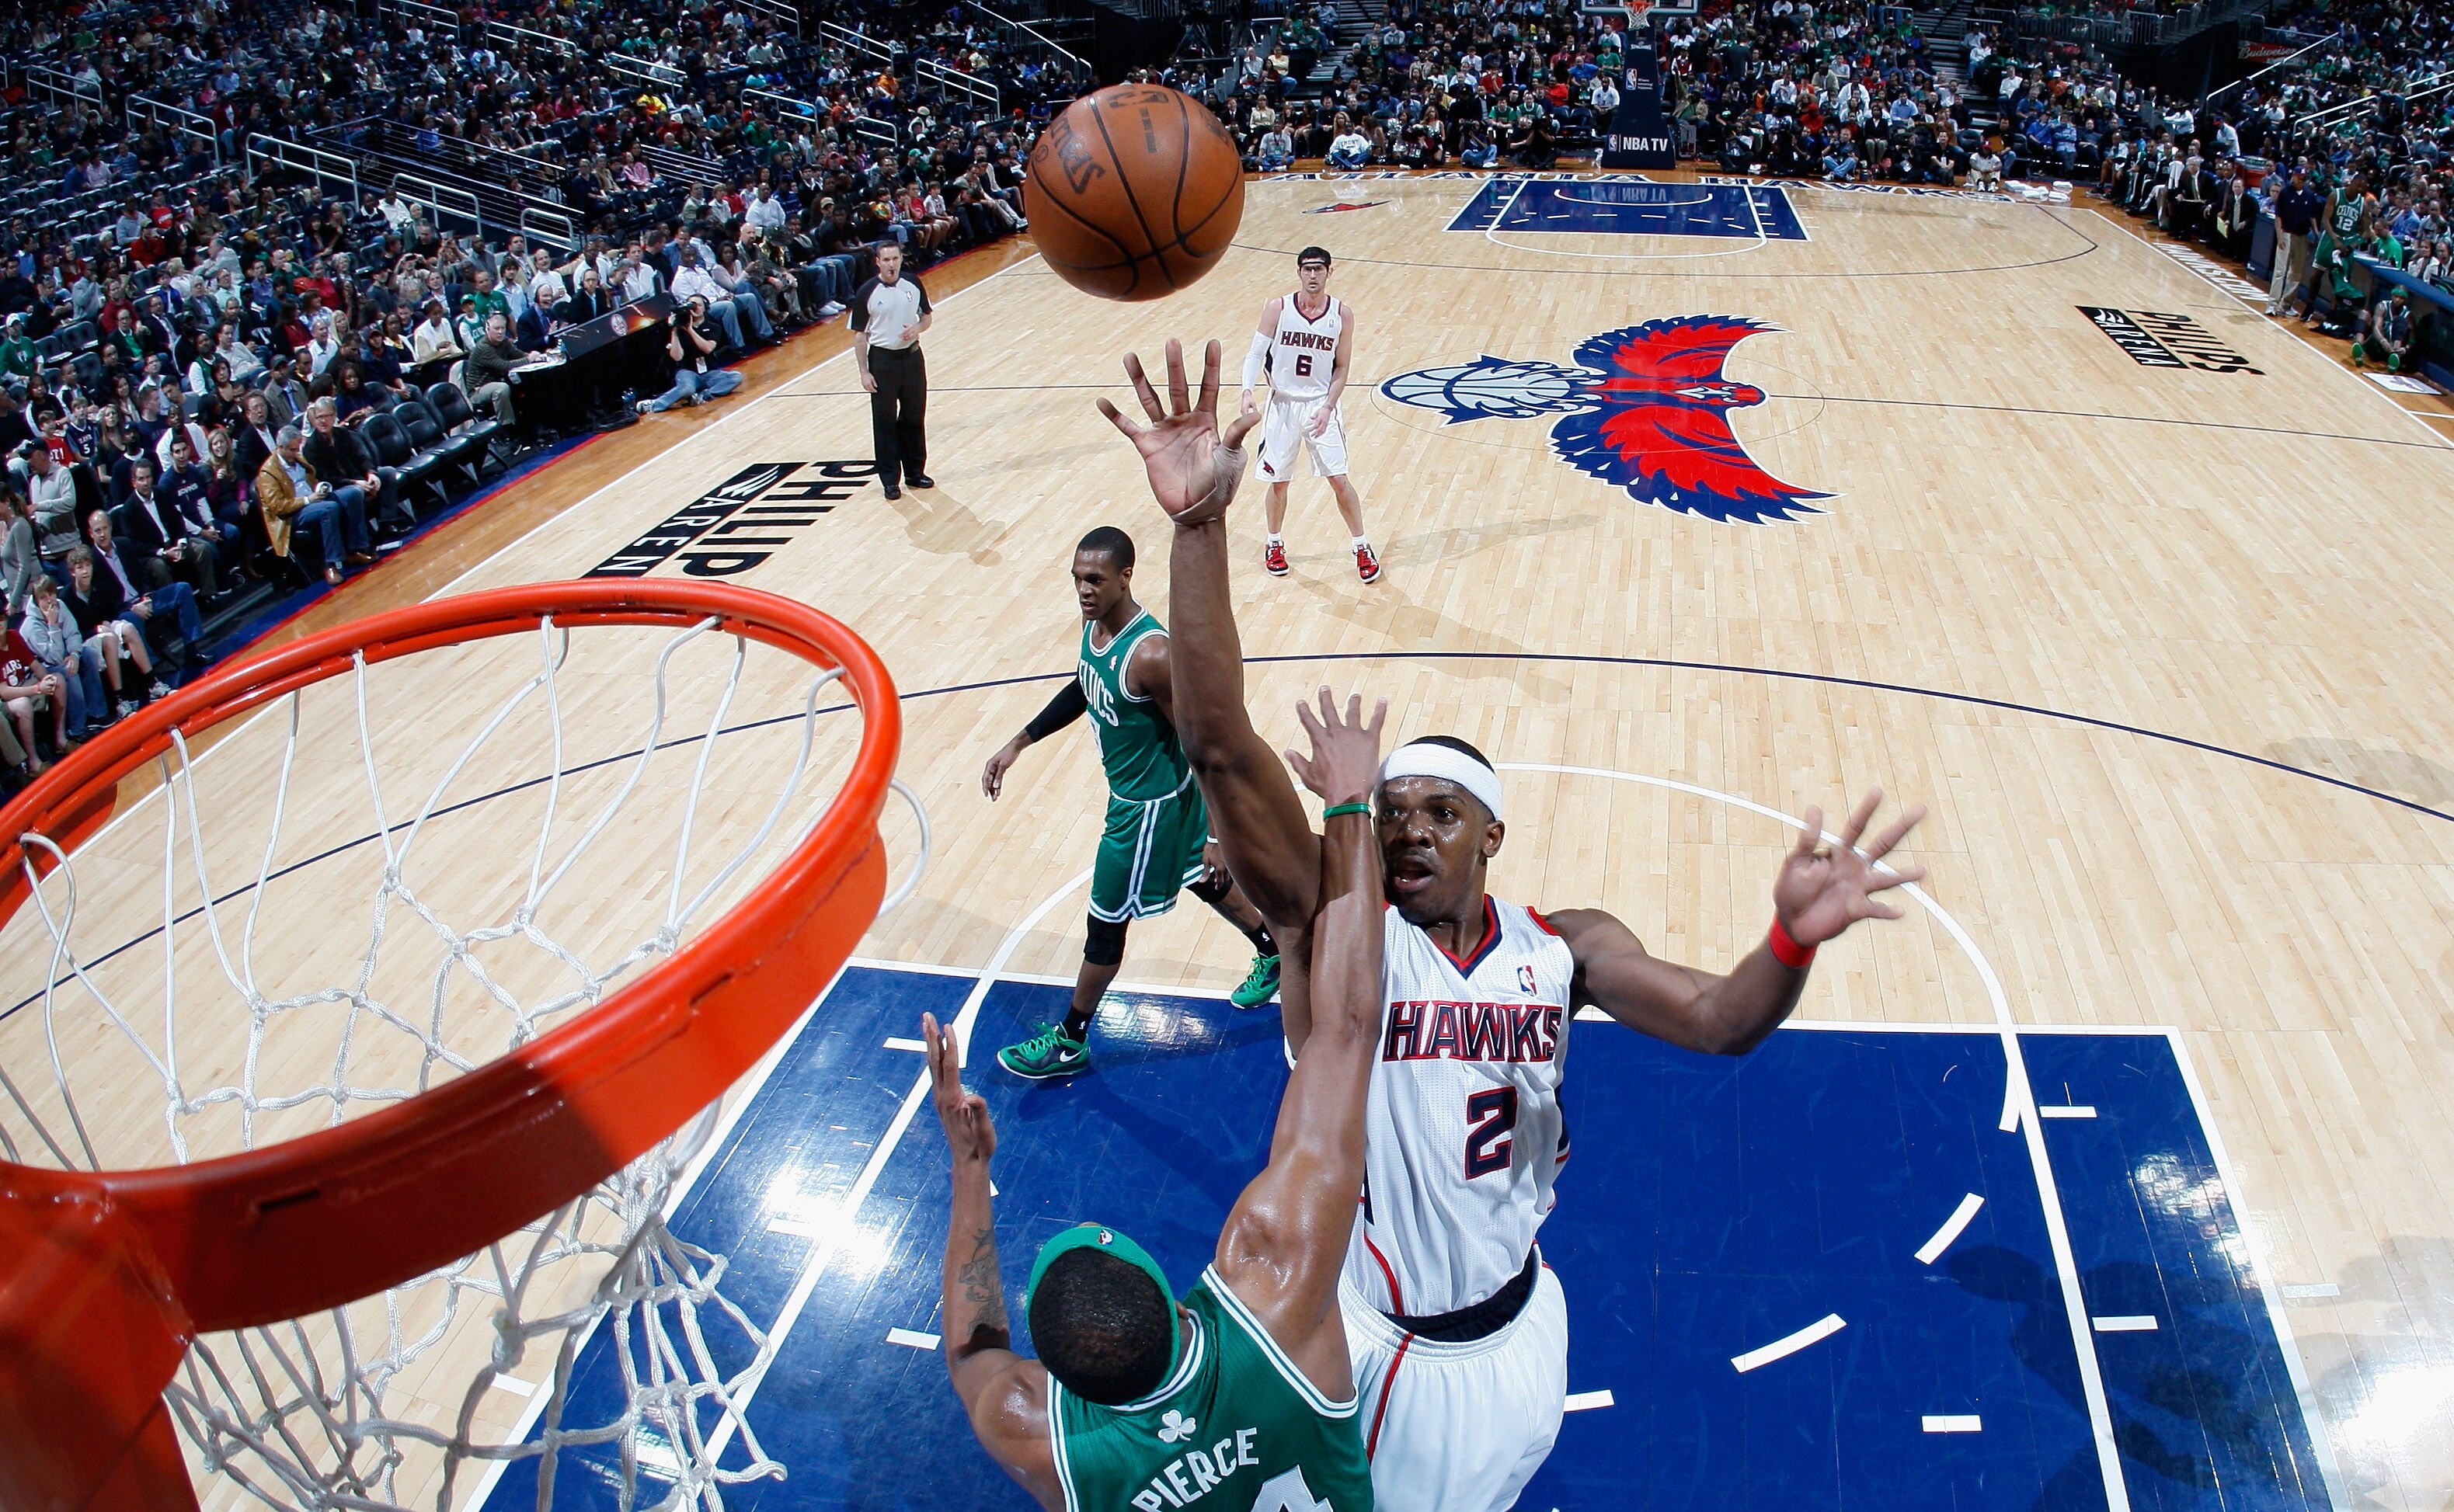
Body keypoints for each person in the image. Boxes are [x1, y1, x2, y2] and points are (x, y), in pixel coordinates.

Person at [1098, 338, 1928, 1512]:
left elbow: (1720, 1019)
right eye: (1390, 811)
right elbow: (1216, 736)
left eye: (1441, 812)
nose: (1409, 832)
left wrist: (1785, 939)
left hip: (1527, 1320)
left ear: (1493, 835)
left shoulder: (1567, 945)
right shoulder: (1336, 930)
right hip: (1378, 1344)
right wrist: (1195, 530)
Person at [926, 683, 1385, 1510]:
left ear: (1063, 1386)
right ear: (1181, 1308)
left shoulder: (1043, 1439)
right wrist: (1350, 803)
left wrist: (970, 1171)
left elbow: (973, 1354)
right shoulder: (1280, 1299)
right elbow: (1346, 1030)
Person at [987, 527, 1286, 1079]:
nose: (1083, 589)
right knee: (1195, 873)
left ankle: (1070, 1040)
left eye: (1094, 579)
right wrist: (1019, 741)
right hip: (1147, 799)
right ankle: (1275, 951)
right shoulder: (1093, 625)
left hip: (1144, 811)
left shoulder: (1151, 654)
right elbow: (1083, 684)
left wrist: (1218, 831)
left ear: (1126, 576)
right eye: (1077, 578)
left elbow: (1199, 744)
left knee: (1104, 926)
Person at [1241, 249, 1377, 583]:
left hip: (1319, 404)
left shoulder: (1342, 314)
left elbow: (1342, 368)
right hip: (1283, 404)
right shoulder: (1278, 308)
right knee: (1279, 482)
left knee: (1339, 480)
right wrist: (1247, 391)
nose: (1312, 275)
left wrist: (1328, 407)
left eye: (1318, 269)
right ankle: (1273, 543)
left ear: (1330, 272)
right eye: (1306, 269)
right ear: (1299, 272)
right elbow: (1256, 353)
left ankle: (1361, 546)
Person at [851, 242, 932, 500]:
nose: (891, 264)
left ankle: (915, 472)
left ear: (900, 259)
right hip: (883, 361)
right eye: (886, 259)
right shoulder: (868, 291)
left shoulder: (913, 284)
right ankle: (889, 480)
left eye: (895, 258)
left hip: (912, 358)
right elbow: (860, 336)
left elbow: (927, 317)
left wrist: (917, 329)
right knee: (885, 422)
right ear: (878, 262)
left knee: (913, 416)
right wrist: (864, 372)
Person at [85, 509, 202, 683]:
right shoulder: (92, 561)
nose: (102, 534)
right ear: (90, 533)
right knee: (132, 620)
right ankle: (152, 673)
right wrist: (132, 607)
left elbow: (143, 573)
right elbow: (103, 601)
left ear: (110, 527)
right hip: (122, 611)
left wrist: (146, 596)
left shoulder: (124, 544)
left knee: (182, 589)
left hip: (143, 599)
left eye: (105, 528)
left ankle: (192, 650)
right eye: (97, 531)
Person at [257, 423, 371, 587]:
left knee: (353, 493)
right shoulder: (268, 473)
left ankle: (354, 549)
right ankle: (330, 564)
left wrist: (320, 488)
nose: (297, 453)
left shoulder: (298, 458)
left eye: (298, 448)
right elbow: (278, 507)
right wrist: (308, 500)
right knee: (329, 509)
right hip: (292, 515)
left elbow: (312, 479)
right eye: (292, 450)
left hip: (313, 499)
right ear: (280, 448)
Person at [56, 547, 149, 718]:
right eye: (80, 567)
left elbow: (114, 608)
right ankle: (120, 699)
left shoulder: (100, 586)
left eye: (87, 565)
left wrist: (109, 620)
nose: (85, 571)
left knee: (127, 627)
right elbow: (72, 633)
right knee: (109, 639)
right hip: (85, 639)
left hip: (104, 629)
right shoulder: (66, 599)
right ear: (72, 572)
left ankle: (152, 683)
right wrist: (96, 630)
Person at [116, 456, 222, 600]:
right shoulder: (128, 510)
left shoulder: (162, 493)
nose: (146, 482)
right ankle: (177, 604)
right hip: (154, 554)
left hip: (174, 544)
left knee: (203, 549)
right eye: (141, 479)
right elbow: (136, 544)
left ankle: (208, 595)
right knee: (159, 567)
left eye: (148, 477)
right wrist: (164, 553)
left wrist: (181, 543)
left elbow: (177, 519)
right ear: (133, 482)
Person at [638, 298, 743, 413]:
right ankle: (654, 405)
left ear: (705, 308)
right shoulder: (679, 330)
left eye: (698, 305)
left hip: (709, 372)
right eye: (692, 305)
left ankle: (702, 396)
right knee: (687, 388)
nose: (695, 308)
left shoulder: (713, 327)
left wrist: (690, 330)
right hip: (687, 372)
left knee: (735, 377)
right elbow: (677, 357)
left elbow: (708, 349)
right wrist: (674, 331)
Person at [464, 311, 524, 427]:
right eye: (496, 328)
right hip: (478, 390)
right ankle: (507, 427)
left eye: (503, 328)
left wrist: (537, 356)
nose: (500, 332)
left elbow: (518, 354)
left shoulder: (504, 341)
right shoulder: (483, 347)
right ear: (487, 328)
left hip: (497, 380)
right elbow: (504, 365)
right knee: (502, 388)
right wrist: (529, 359)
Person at [2354, 287, 2414, 370]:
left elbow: (2413, 339)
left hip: (2392, 348)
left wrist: (2406, 349)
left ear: (2405, 300)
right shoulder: (2382, 306)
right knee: (2364, 314)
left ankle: (2394, 356)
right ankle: (2358, 347)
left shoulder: (2407, 315)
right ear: (2392, 296)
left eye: (2401, 298)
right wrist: (2383, 341)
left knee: (2400, 321)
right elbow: (2376, 328)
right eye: (2396, 296)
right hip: (2378, 343)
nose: (2398, 300)